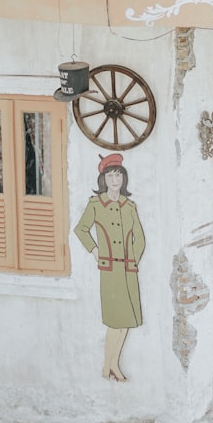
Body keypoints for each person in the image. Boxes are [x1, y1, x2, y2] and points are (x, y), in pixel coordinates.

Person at [74, 153, 145, 382]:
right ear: (103, 179)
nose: (115, 180)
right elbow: (80, 229)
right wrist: (95, 251)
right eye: (111, 175)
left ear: (124, 179)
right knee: (116, 320)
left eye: (119, 175)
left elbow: (140, 238)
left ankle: (110, 366)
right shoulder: (96, 204)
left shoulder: (129, 206)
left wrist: (133, 259)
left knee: (125, 322)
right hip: (109, 270)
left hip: (128, 270)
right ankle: (110, 365)